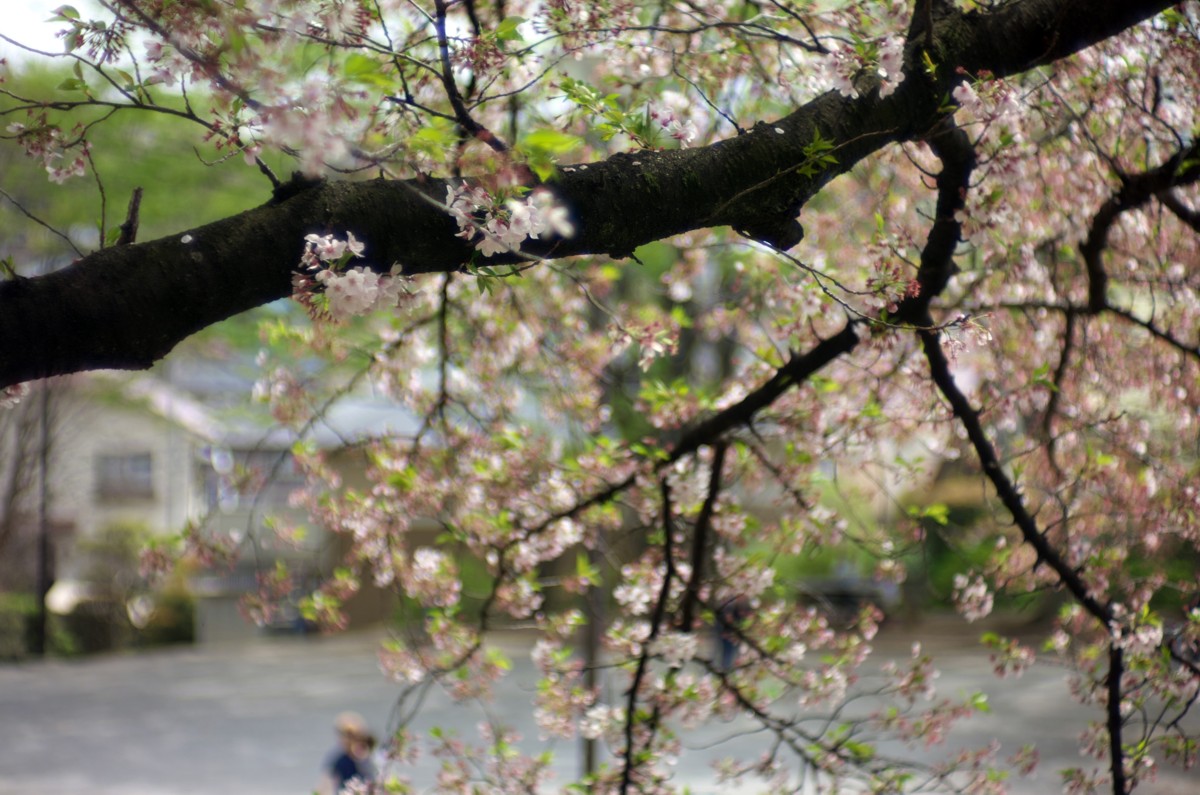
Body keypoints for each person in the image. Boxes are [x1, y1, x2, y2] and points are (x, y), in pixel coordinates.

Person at [317, 712, 376, 794]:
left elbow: (374, 778)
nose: (349, 740)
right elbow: (326, 785)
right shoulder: (338, 760)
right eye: (346, 735)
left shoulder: (365, 757)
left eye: (353, 735)